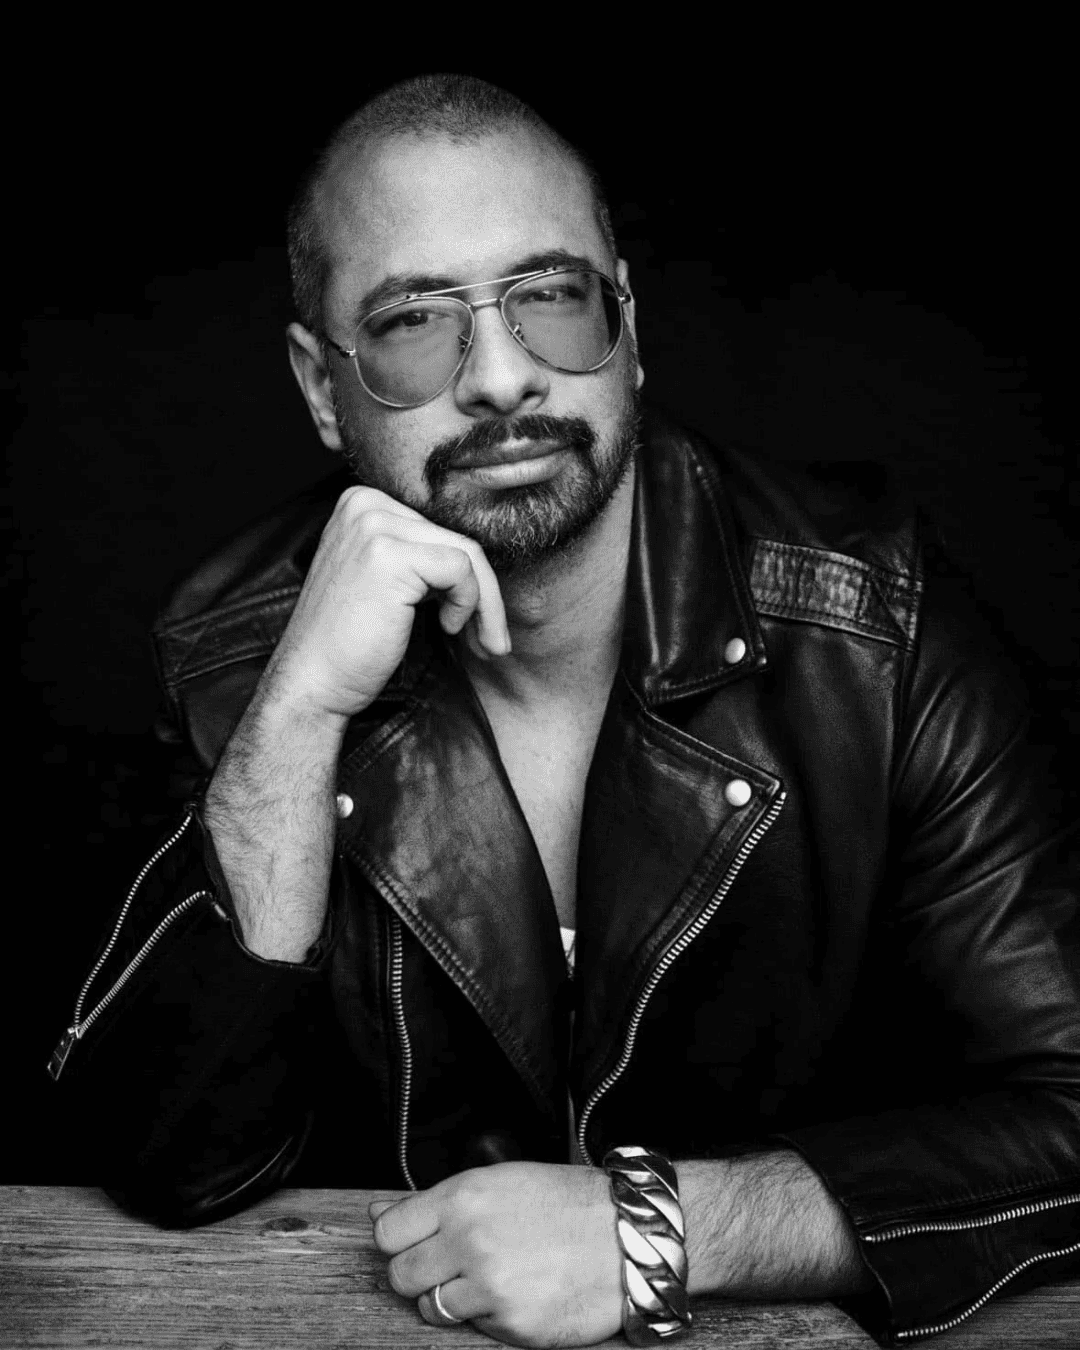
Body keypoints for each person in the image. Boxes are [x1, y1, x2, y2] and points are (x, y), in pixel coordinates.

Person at [52, 74, 1080, 1347]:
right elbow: (167, 1160)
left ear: (628, 328)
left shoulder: (872, 623)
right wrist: (299, 712)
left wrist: (668, 1229)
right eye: (414, 322)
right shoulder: (236, 661)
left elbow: (1066, 1109)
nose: (499, 378)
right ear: (322, 387)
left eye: (549, 297)